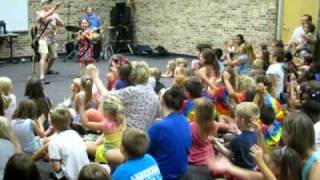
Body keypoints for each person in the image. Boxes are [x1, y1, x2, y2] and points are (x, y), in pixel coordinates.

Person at [87, 61, 160, 130]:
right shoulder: (154, 94)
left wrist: (95, 77)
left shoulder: (133, 91)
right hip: (143, 137)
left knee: (90, 113)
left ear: (132, 76)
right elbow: (157, 115)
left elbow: (106, 95)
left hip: (126, 134)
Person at [148, 87, 192, 180]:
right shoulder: (185, 120)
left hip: (163, 174)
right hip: (182, 171)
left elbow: (144, 151)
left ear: (162, 102)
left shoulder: (159, 127)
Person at [79, 94, 126, 165]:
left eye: (100, 107)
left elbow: (86, 123)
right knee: (101, 138)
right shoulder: (121, 119)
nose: (98, 108)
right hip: (119, 147)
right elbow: (105, 134)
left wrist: (81, 106)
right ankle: (96, 145)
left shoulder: (106, 125)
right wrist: (96, 143)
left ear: (106, 112)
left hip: (108, 151)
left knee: (85, 145)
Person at [212, 102, 259, 170]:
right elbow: (247, 138)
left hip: (240, 171)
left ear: (242, 121)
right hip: (252, 168)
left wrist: (217, 143)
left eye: (236, 116)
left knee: (220, 156)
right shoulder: (257, 134)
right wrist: (238, 132)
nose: (234, 118)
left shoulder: (237, 140)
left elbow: (228, 154)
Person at [48, 107, 89, 180]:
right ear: (70, 121)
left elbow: (56, 167)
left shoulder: (54, 142)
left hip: (71, 177)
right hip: (86, 173)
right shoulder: (75, 134)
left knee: (52, 160)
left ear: (52, 124)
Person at [282, 112, 320, 180]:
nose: (282, 134)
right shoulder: (295, 157)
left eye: (284, 129)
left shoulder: (316, 166)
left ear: (292, 135)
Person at [36, 0, 64, 83]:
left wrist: (56, 18)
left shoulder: (54, 14)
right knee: (44, 55)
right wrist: (54, 9)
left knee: (54, 57)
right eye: (47, 4)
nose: (49, 5)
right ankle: (41, 76)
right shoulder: (39, 13)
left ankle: (47, 70)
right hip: (42, 38)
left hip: (52, 39)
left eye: (50, 4)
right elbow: (42, 18)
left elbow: (62, 24)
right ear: (43, 5)